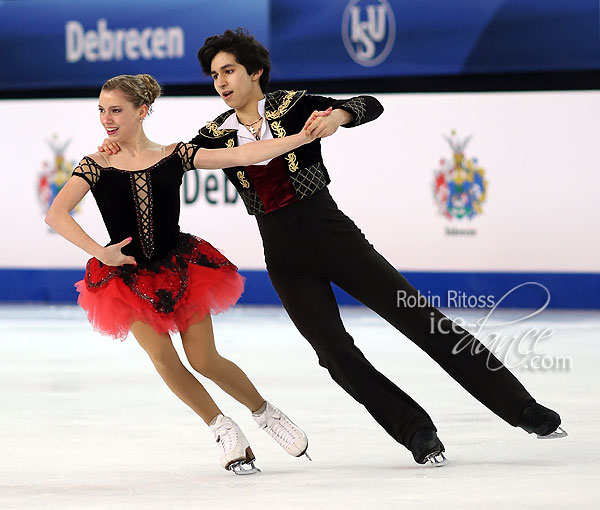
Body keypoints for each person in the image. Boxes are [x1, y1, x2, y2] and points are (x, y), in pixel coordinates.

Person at [100, 30, 566, 466]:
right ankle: (416, 432)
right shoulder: (215, 134)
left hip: (335, 239)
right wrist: (118, 148)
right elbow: (160, 162)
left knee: (421, 320)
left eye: (228, 71)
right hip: (284, 258)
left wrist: (339, 118)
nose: (220, 82)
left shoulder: (296, 105)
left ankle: (523, 408)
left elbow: (368, 103)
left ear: (254, 72)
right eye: (215, 75)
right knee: (334, 353)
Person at [46, 73, 325, 475]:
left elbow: (244, 155)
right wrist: (99, 253)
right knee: (163, 357)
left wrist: (300, 139)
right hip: (126, 278)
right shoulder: (96, 164)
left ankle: (265, 413)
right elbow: (56, 214)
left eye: (116, 110)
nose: (107, 119)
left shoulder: (175, 154)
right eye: (102, 111)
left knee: (204, 358)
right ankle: (223, 428)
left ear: (142, 111)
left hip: (181, 268)